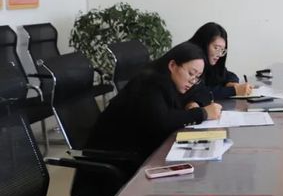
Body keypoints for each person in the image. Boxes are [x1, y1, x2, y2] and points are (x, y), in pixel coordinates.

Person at [85, 42, 222, 165]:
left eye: (197, 77)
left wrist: (194, 102)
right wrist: (202, 113)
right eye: (191, 73)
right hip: (117, 158)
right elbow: (162, 121)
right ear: (172, 65)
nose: (193, 81)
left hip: (139, 151)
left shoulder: (174, 81)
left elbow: (202, 90)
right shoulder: (150, 82)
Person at [186, 22, 252, 102]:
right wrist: (234, 90)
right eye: (216, 48)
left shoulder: (211, 62)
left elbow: (228, 74)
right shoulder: (191, 60)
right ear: (204, 43)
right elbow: (198, 93)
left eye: (222, 50)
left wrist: (231, 83)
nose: (219, 54)